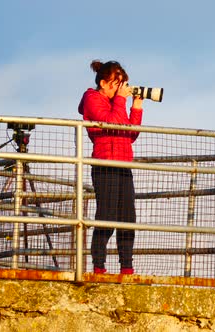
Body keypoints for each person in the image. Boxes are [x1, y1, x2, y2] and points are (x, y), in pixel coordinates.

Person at [78, 60, 143, 275]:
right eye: (116, 84)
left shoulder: (118, 103)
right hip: (105, 163)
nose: (119, 89)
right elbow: (111, 122)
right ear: (104, 83)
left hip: (123, 163)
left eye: (122, 84)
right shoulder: (91, 98)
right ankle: (99, 267)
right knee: (106, 216)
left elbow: (130, 134)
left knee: (127, 218)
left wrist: (136, 106)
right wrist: (122, 100)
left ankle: (127, 267)